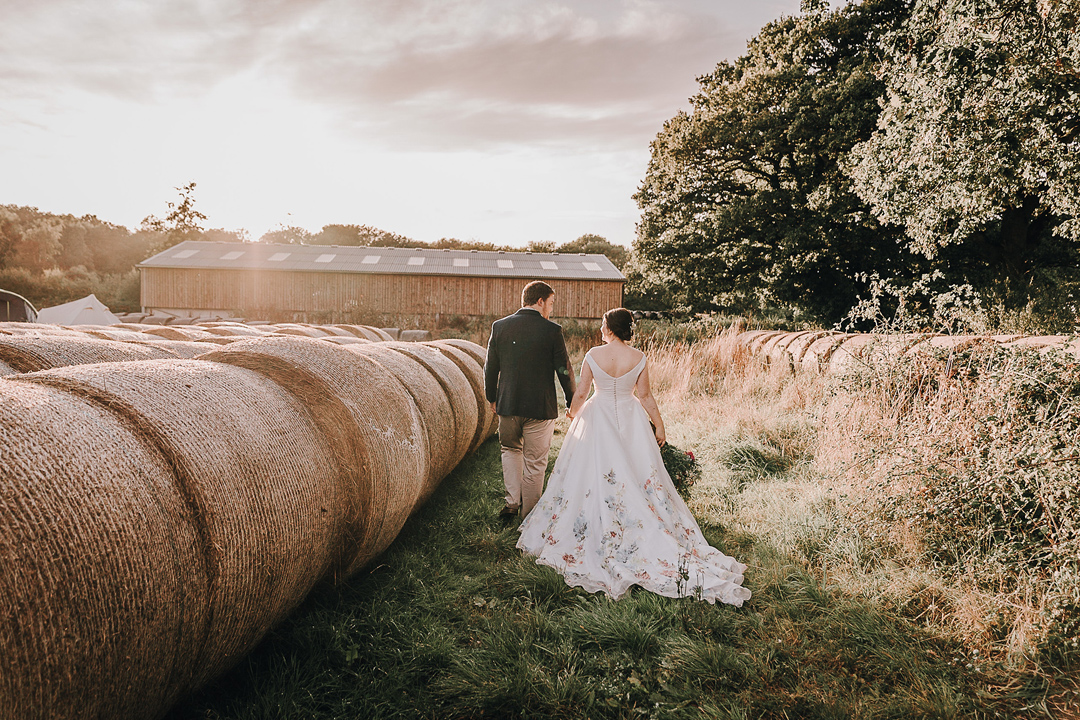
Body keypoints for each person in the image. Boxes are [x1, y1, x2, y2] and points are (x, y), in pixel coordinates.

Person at [517, 308, 752, 606]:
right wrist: (659, 425)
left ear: (610, 328)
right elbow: (645, 396)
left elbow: (582, 393)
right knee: (638, 474)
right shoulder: (638, 357)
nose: (601, 327)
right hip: (631, 419)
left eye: (603, 323)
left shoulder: (593, 354)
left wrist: (574, 414)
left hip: (598, 415)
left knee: (588, 474)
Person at [485, 281, 576, 519]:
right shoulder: (551, 330)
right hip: (540, 407)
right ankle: (530, 515)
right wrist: (571, 401)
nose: (551, 309)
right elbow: (564, 369)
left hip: (508, 404)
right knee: (535, 462)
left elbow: (490, 367)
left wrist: (492, 397)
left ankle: (511, 503)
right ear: (540, 301)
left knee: (510, 450)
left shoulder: (500, 326)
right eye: (551, 303)